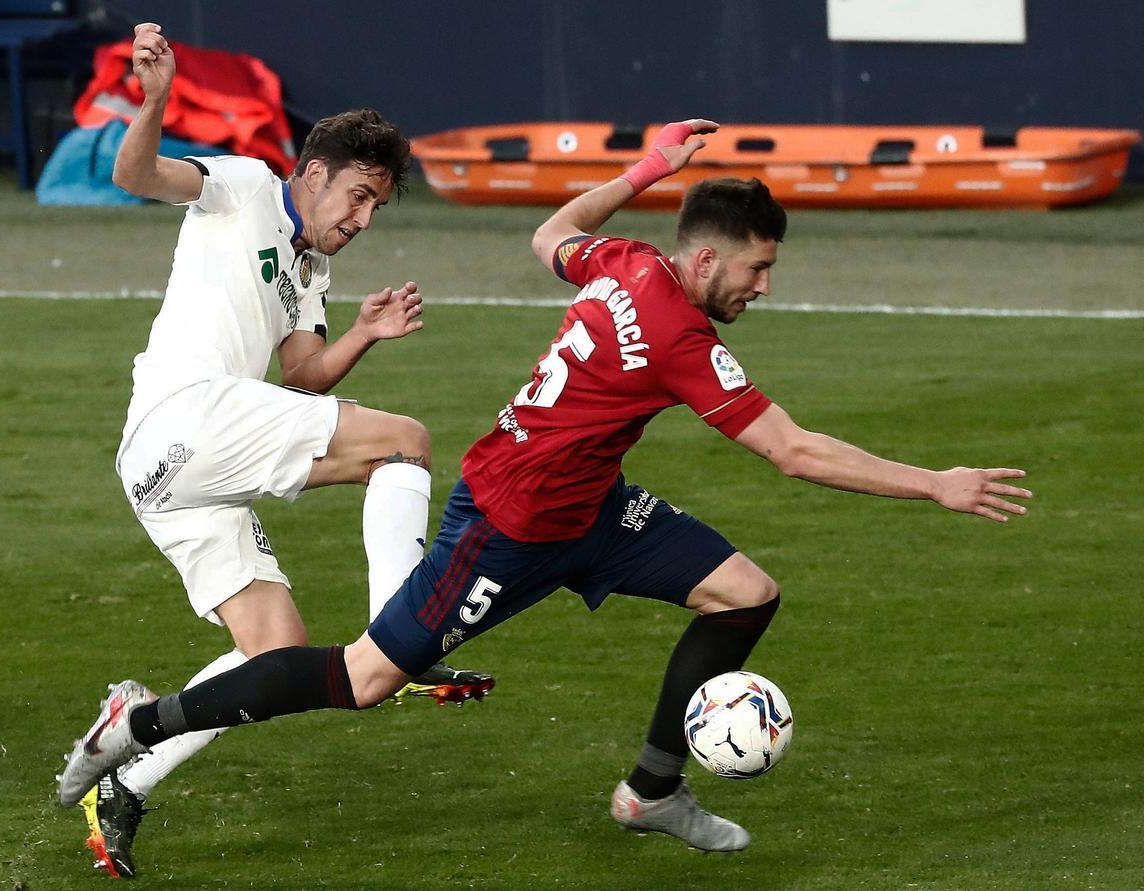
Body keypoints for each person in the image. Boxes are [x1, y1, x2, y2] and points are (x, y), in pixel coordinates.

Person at [58, 117, 1032, 860]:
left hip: (593, 507)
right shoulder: (681, 336)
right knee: (358, 678)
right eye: (757, 269)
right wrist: (936, 484)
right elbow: (793, 451)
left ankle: (653, 789)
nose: (763, 288)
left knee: (747, 594)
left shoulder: (621, 263)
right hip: (508, 526)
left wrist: (646, 171)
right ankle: (141, 725)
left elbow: (552, 234)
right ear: (706, 259)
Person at [72, 22, 494, 879]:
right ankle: (405, 637)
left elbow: (302, 373)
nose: (364, 218)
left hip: (173, 471)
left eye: (377, 207)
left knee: (276, 654)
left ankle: (123, 771)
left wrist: (365, 333)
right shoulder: (241, 184)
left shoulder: (312, 273)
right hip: (184, 417)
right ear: (312, 173)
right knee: (404, 443)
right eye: (358, 196)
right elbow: (133, 173)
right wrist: (154, 102)